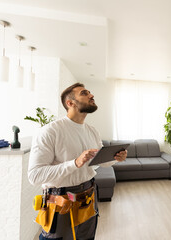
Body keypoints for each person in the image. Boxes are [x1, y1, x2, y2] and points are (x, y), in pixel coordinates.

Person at [28, 82, 127, 240]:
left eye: (90, 92)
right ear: (70, 103)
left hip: (88, 197)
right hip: (61, 203)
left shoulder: (91, 131)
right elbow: (35, 176)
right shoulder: (50, 131)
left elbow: (100, 161)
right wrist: (74, 163)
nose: (91, 95)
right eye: (84, 93)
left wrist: (115, 158)